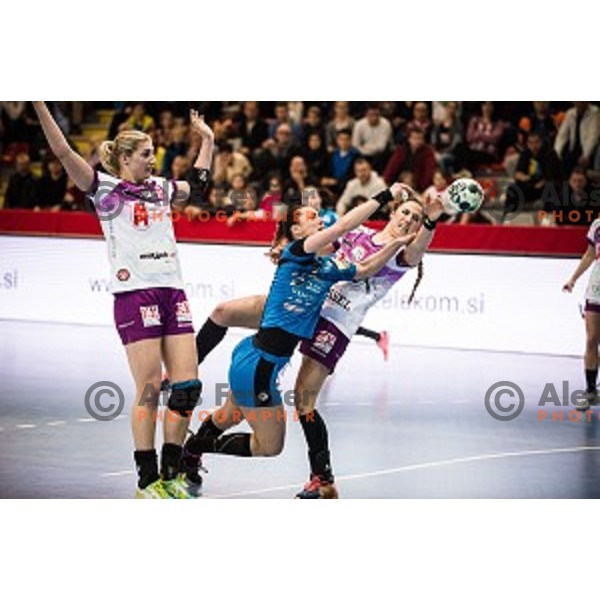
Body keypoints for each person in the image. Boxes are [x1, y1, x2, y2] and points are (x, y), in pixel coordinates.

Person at [32, 101, 215, 499]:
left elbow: (199, 187)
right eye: (147, 154)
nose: (153, 159)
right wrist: (40, 105)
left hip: (172, 291)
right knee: (149, 388)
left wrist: (209, 142)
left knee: (187, 387)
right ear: (126, 158)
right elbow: (64, 151)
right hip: (135, 294)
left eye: (153, 153)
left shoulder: (161, 188)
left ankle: (171, 473)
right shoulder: (104, 190)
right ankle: (146, 480)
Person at [182, 185, 416, 487]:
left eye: (319, 215)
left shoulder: (326, 267)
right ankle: (191, 446)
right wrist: (385, 195)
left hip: (255, 358)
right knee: (269, 447)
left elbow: (366, 268)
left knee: (231, 413)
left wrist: (396, 243)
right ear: (296, 229)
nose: (320, 219)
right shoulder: (296, 252)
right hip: (259, 365)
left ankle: (190, 452)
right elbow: (344, 225)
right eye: (311, 215)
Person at [563, 219, 600, 411]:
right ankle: (591, 391)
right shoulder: (597, 225)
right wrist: (573, 279)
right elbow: (589, 254)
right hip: (596, 288)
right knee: (592, 339)